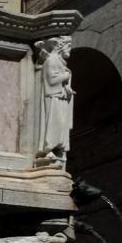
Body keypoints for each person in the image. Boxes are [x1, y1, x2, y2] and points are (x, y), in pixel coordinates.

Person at [37, 36, 74, 164]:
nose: (70, 49)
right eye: (68, 46)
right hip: (53, 98)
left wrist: (68, 88)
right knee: (54, 123)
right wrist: (65, 76)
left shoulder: (59, 62)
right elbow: (51, 81)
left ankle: (57, 149)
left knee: (60, 123)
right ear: (60, 46)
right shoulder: (51, 61)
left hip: (60, 97)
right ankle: (50, 149)